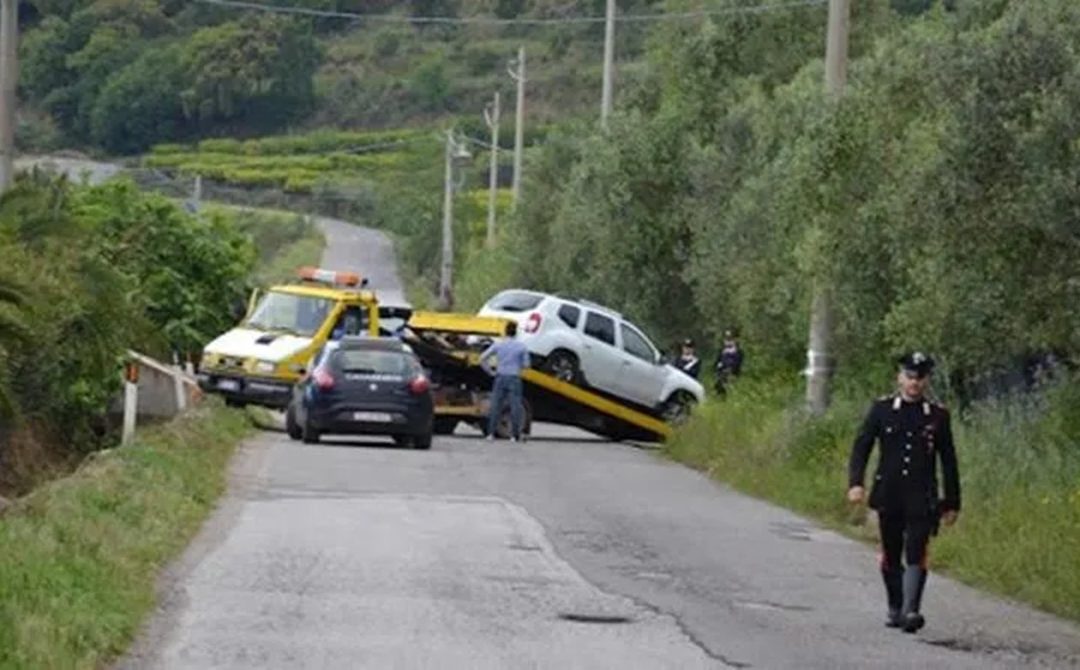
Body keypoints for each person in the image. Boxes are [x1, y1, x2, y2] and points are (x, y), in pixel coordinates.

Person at [847, 352, 961, 633]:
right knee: (891, 551)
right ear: (900, 378)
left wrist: (952, 502)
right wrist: (856, 483)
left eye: (920, 378)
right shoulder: (882, 409)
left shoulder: (937, 415)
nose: (915, 383)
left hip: (922, 496)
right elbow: (862, 447)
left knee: (917, 550)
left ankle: (912, 610)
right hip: (890, 493)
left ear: (926, 380)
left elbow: (948, 460)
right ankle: (896, 605)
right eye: (910, 377)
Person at [479, 321, 531, 442]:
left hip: (500, 376)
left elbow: (482, 358)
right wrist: (518, 366)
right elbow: (527, 365)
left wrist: (490, 371)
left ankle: (490, 434)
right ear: (516, 332)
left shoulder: (499, 345)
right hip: (514, 377)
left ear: (505, 331)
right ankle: (514, 435)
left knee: (496, 405)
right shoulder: (521, 346)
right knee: (515, 406)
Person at [713, 330, 744, 395]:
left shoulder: (739, 352)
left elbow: (737, 365)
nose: (728, 341)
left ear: (735, 340)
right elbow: (715, 365)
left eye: (730, 339)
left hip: (733, 377)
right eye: (727, 339)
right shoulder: (721, 351)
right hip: (721, 377)